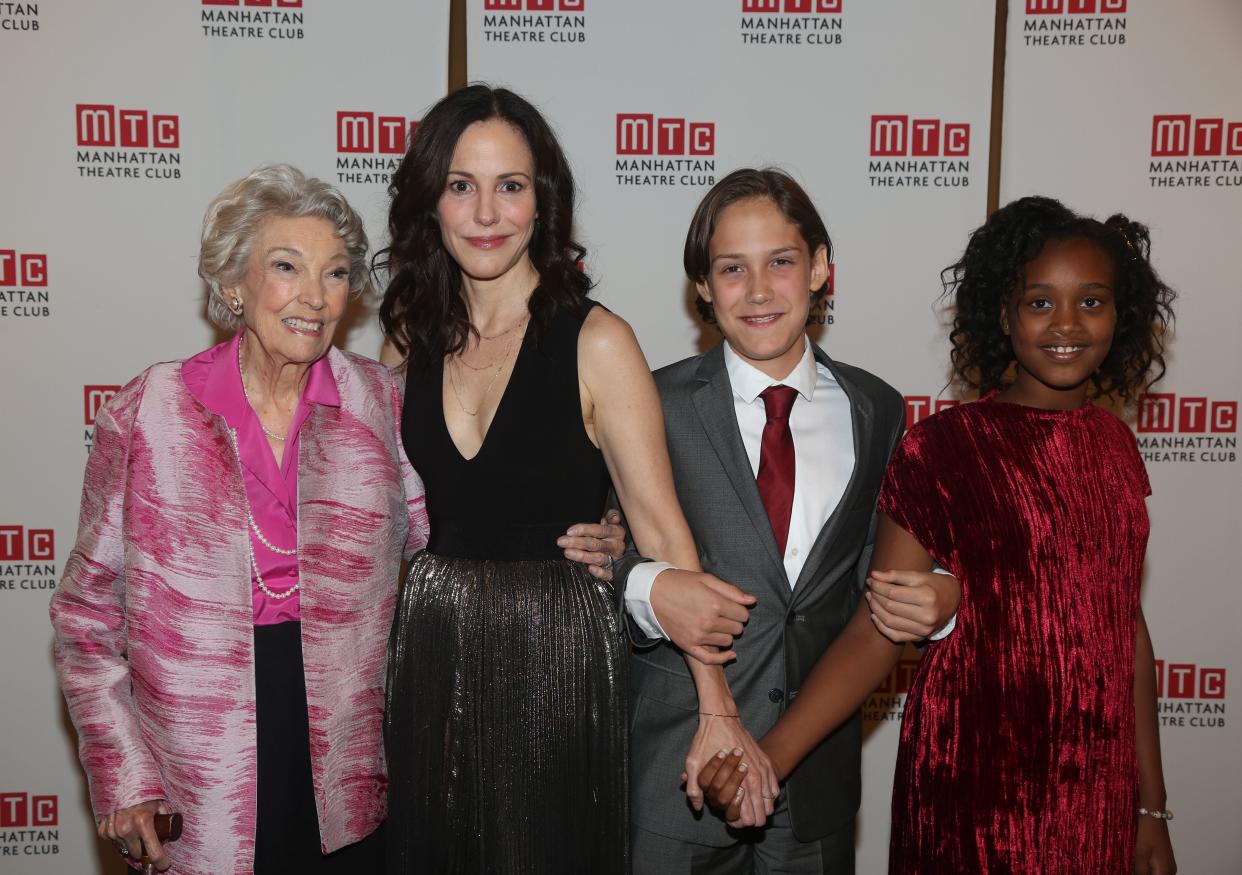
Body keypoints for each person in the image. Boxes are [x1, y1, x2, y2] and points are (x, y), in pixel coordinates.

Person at [698, 196, 1179, 875]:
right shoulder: (943, 449)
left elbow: (1124, 627)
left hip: (1099, 791)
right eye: (1040, 303)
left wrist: (1149, 807)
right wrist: (767, 757)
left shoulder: (1117, 447)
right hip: (977, 789)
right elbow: (879, 628)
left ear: (1120, 316)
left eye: (1092, 302)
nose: (1067, 324)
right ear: (1002, 313)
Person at [378, 85, 761, 874]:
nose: (486, 212)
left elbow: (662, 534)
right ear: (431, 202)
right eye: (461, 185)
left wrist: (715, 707)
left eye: (511, 186)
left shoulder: (597, 341)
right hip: (430, 649)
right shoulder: (403, 341)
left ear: (543, 203)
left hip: (555, 655)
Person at [614, 167, 961, 873]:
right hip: (674, 777)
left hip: (815, 790)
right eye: (732, 269)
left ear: (821, 269)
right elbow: (600, 558)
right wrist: (649, 588)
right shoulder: (654, 401)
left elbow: (880, 573)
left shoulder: (879, 408)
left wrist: (945, 599)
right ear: (703, 288)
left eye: (781, 261)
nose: (761, 289)